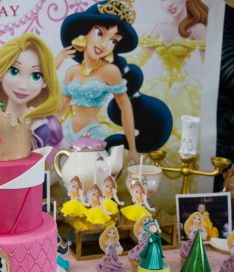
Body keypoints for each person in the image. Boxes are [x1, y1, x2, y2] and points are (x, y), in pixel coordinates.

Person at [57, 0, 172, 164]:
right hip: (67, 132)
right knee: (63, 175)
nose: (104, 44)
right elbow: (60, 108)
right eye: (100, 33)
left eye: (113, 40)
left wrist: (132, 148)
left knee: (88, 176)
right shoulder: (73, 71)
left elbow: (125, 108)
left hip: (92, 135)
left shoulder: (110, 72)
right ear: (85, 32)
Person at [0, 32, 63, 150]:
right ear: (0, 73)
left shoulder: (45, 123)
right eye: (14, 72)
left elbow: (64, 156)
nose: (23, 86)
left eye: (36, 76)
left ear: (45, 82)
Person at [130, 0, 208, 131]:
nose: (169, 4)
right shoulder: (160, 28)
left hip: (184, 89)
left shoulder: (198, 29)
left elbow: (208, 62)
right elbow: (141, 58)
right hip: (160, 86)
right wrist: (115, 62)